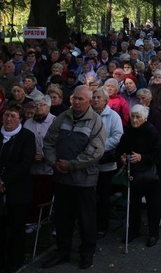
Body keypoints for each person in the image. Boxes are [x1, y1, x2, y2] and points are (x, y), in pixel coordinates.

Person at [42, 85, 105, 270]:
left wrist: (71, 164)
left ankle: (86, 254)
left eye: (81, 100)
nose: (76, 102)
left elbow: (95, 150)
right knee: (62, 219)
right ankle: (62, 252)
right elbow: (49, 141)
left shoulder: (95, 121)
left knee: (86, 220)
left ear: (89, 102)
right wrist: (54, 163)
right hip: (61, 178)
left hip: (84, 180)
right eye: (75, 98)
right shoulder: (62, 117)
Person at [0, 102, 36, 272]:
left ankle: (14, 261)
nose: (8, 119)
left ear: (21, 119)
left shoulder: (27, 137)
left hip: (16, 190)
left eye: (13, 116)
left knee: (16, 228)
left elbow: (25, 163)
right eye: (6, 115)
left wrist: (4, 181)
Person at [118, 104, 161, 248]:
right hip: (134, 174)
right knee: (133, 204)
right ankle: (133, 231)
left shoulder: (151, 132)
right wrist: (121, 156)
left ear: (144, 118)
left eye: (138, 116)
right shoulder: (129, 131)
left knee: (153, 206)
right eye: (133, 116)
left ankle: (153, 234)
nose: (134, 119)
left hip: (152, 176)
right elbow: (121, 148)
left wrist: (142, 157)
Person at [91, 87, 124, 238]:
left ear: (105, 100)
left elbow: (118, 137)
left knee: (103, 196)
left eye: (99, 97)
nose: (96, 100)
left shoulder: (113, 116)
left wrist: (99, 147)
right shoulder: (87, 115)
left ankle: (102, 226)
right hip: (88, 162)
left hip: (105, 163)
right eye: (94, 97)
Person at [22, 94, 55, 230]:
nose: (38, 108)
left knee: (47, 194)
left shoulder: (55, 121)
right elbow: (24, 143)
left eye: (42, 105)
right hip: (32, 167)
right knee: (33, 195)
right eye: (36, 105)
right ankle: (33, 221)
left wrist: (45, 157)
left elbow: (57, 144)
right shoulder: (28, 122)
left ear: (48, 106)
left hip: (49, 167)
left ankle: (48, 221)